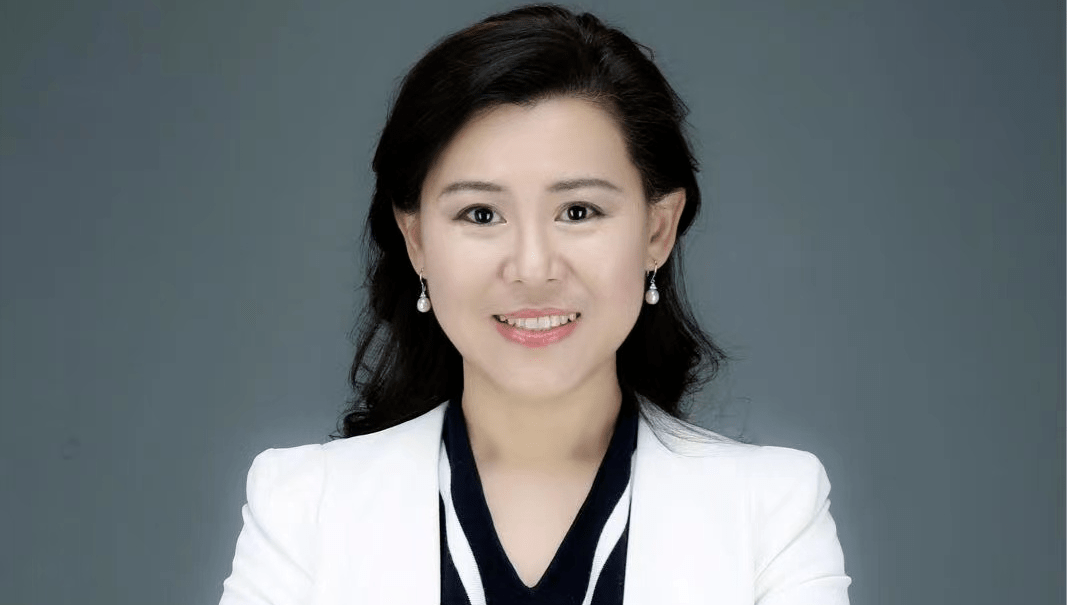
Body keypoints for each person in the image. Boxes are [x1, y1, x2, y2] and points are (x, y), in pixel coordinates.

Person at [218, 4, 851, 604]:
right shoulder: (303, 508)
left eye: (578, 211)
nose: (532, 268)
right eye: (481, 214)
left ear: (658, 230)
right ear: (416, 241)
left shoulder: (770, 512)